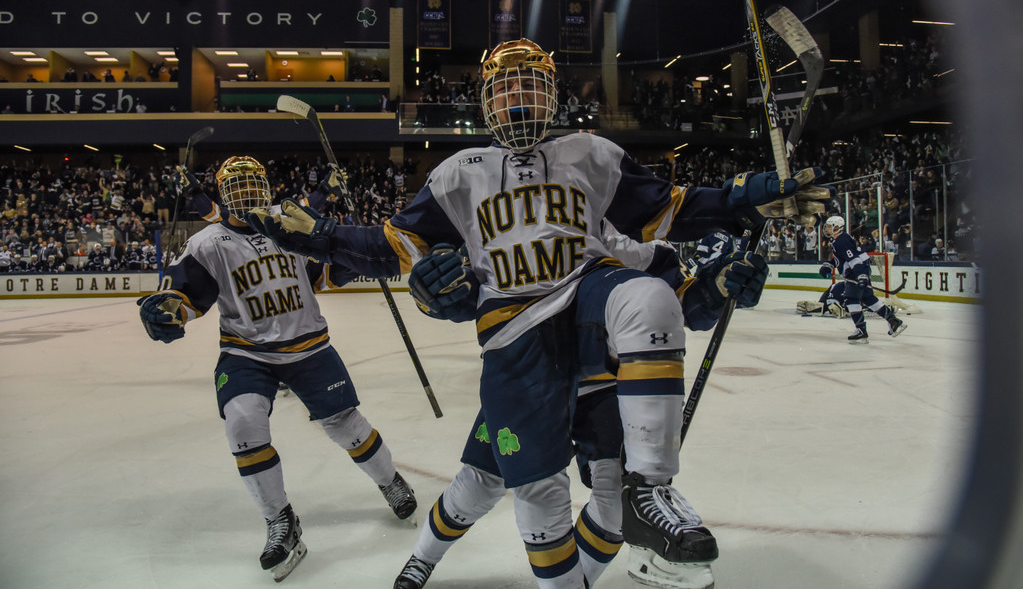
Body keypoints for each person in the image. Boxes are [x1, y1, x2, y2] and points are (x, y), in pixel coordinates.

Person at [247, 38, 829, 589]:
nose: (519, 100)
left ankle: (649, 490)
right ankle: (424, 557)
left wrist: (746, 200)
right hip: (517, 339)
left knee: (643, 314)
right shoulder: (459, 173)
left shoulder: (593, 156)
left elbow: (673, 220)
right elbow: (392, 247)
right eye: (506, 89)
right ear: (485, 101)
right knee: (509, 490)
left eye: (531, 87)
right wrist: (322, 236)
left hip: (589, 312)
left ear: (553, 96)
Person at [393, 230, 769, 589]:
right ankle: (423, 558)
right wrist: (434, 290)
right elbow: (470, 290)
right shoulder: (534, 206)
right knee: (477, 485)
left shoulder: (640, 232)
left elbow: (687, 306)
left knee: (618, 503)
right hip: (534, 377)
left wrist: (718, 288)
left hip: (609, 387)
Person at [136, 156, 417, 582]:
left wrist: (357, 258)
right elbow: (185, 295)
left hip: (308, 346)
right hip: (247, 351)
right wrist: (171, 310)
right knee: (243, 424)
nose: (247, 192)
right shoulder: (209, 243)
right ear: (222, 193)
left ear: (266, 186)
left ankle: (390, 481)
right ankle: (279, 520)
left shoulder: (288, 224)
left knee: (346, 425)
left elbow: (326, 268)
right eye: (237, 185)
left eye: (254, 183)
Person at [820, 215, 906, 343]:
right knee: (868, 298)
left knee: (851, 299)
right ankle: (893, 321)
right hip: (859, 270)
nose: (826, 229)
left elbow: (853, 259)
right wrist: (829, 265)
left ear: (836, 227)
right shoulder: (838, 239)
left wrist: (861, 275)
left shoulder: (841, 240)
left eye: (828, 226)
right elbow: (841, 258)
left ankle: (861, 330)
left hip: (855, 272)